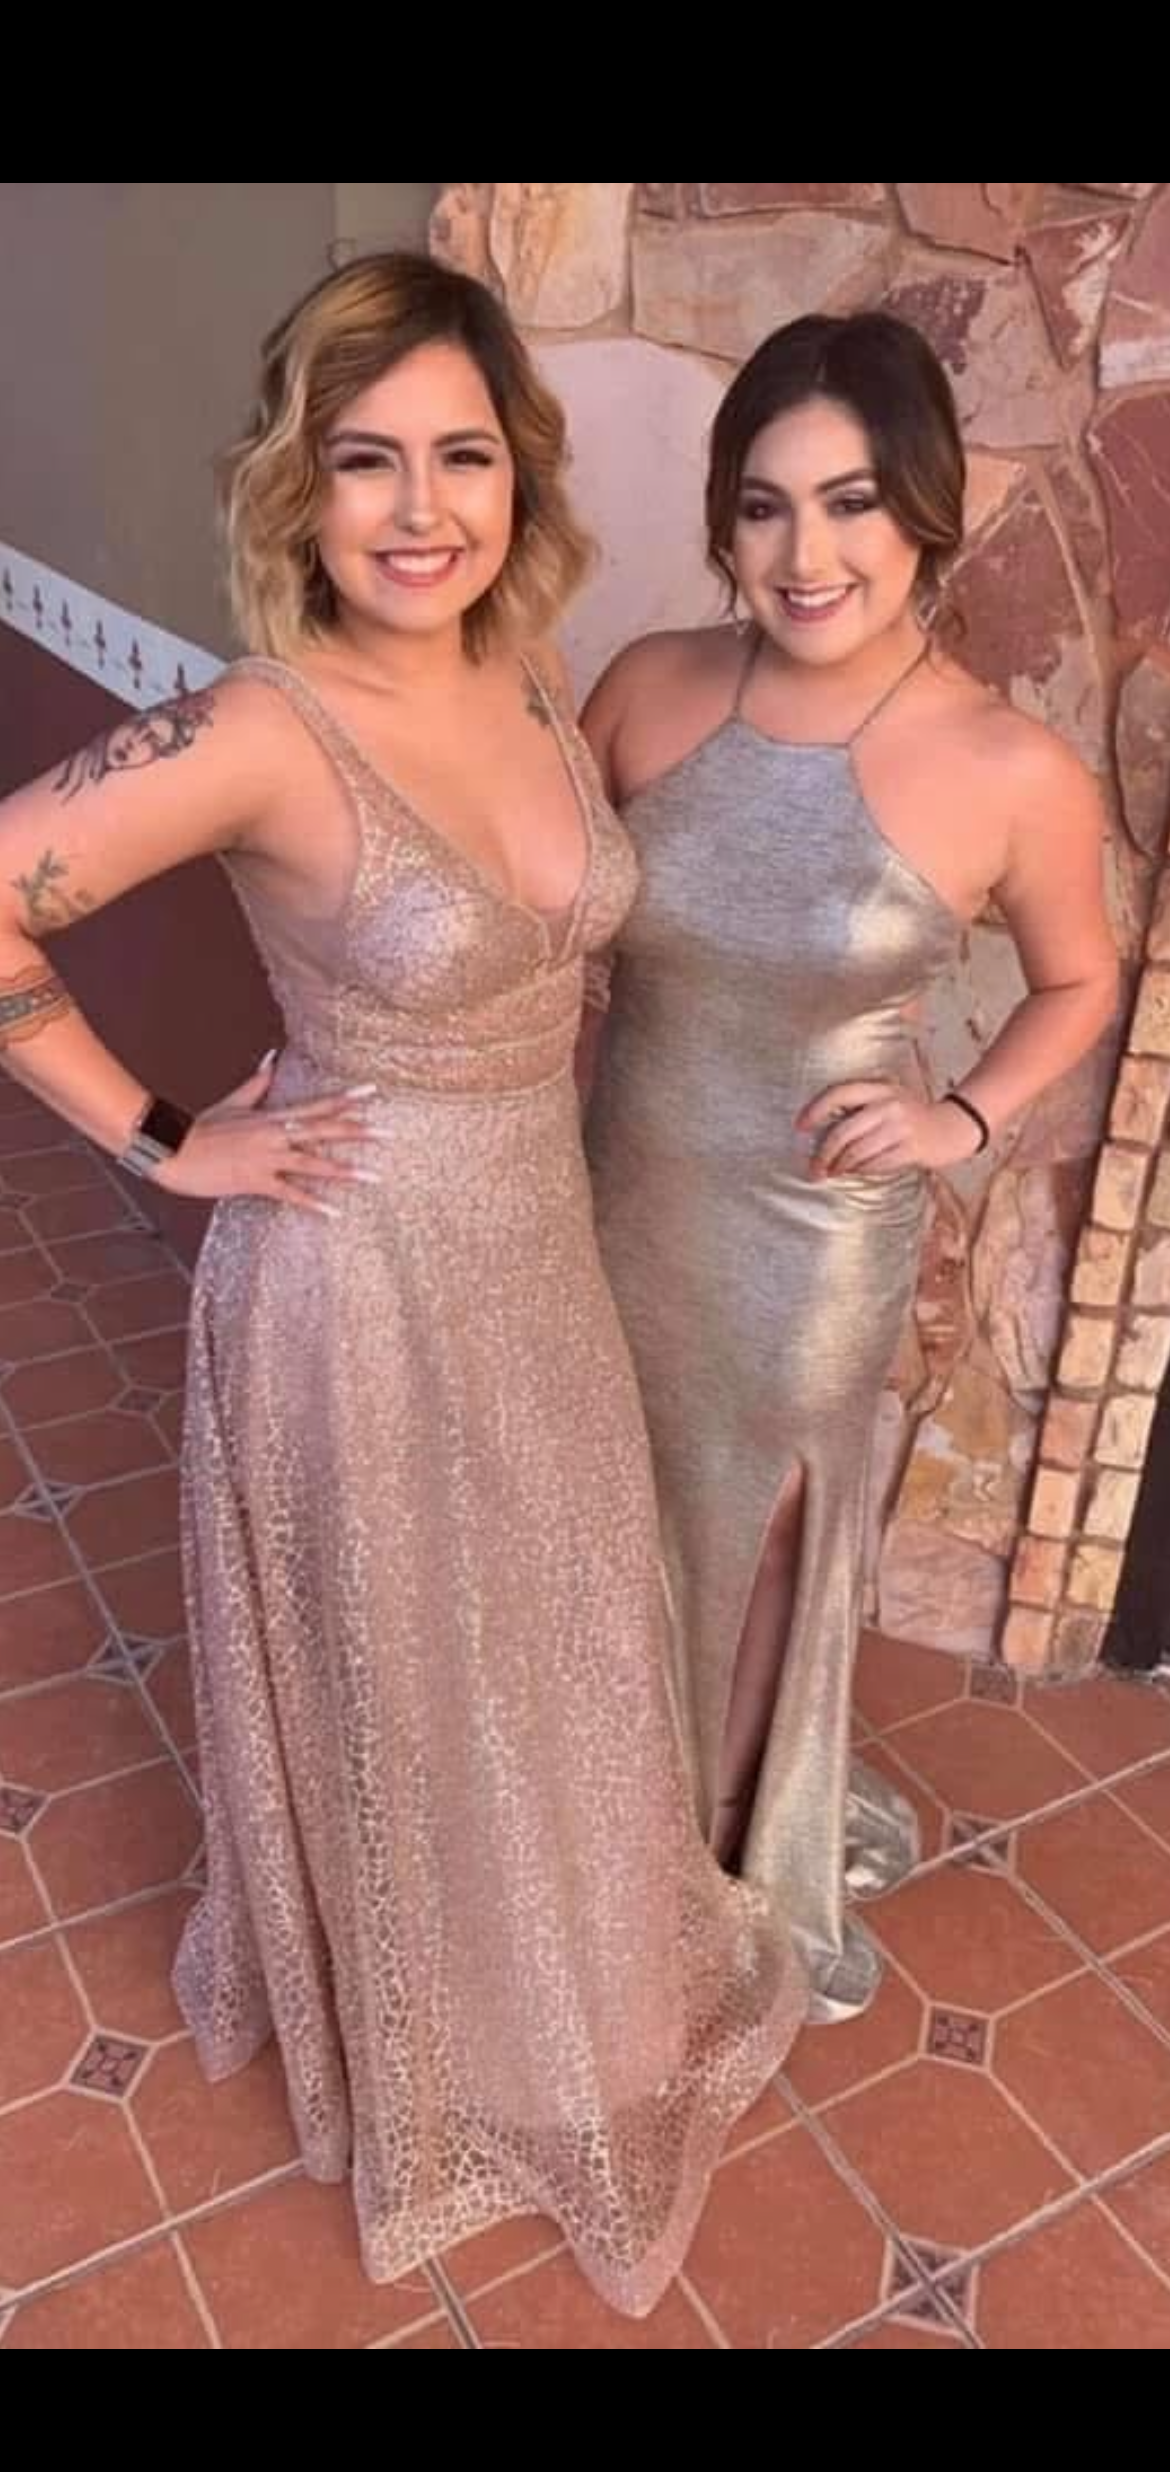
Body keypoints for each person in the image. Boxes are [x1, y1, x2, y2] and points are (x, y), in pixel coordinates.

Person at [0, 252, 807, 2314]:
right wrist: (167, 1139)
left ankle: (564, 1979)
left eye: (462, 455)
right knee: (413, 1672)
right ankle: (444, 2031)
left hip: (533, 1250)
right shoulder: (266, 729)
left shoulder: (531, 672)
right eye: (367, 461)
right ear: (301, 486)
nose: (420, 508)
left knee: (550, 1637)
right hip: (351, 1283)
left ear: (518, 476)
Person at [582, 311, 1117, 2020]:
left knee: (757, 1536)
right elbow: (542, 912)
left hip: (809, 1238)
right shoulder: (648, 685)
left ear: (924, 513)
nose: (803, 554)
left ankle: (714, 1868)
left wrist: (961, 1118)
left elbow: (1080, 978)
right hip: (613, 1190)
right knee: (609, 1512)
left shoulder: (1006, 765)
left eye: (850, 502)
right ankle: (596, 1823)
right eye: (763, 506)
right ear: (725, 524)